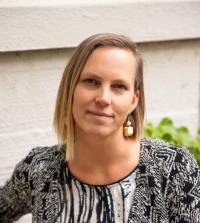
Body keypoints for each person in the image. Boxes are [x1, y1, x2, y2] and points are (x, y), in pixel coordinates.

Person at [0, 33, 199, 223]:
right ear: (71, 90)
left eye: (119, 86)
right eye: (91, 82)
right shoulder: (39, 168)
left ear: (133, 101)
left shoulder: (174, 169)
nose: (103, 98)